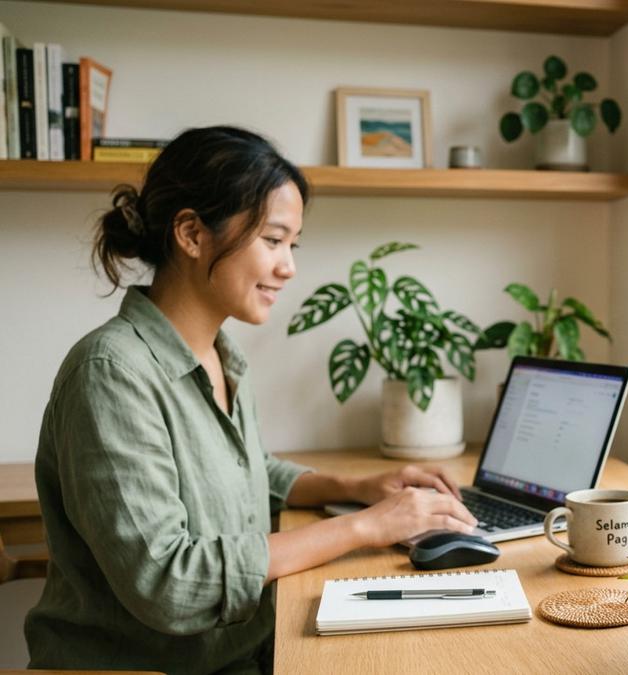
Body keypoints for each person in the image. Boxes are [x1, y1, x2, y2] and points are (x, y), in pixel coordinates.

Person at [24, 126, 478, 673]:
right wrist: (367, 526)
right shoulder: (110, 374)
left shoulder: (220, 354)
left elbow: (243, 470)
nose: (289, 266)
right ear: (192, 234)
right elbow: (171, 583)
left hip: (247, 651)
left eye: (293, 244)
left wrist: (356, 487)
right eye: (273, 240)